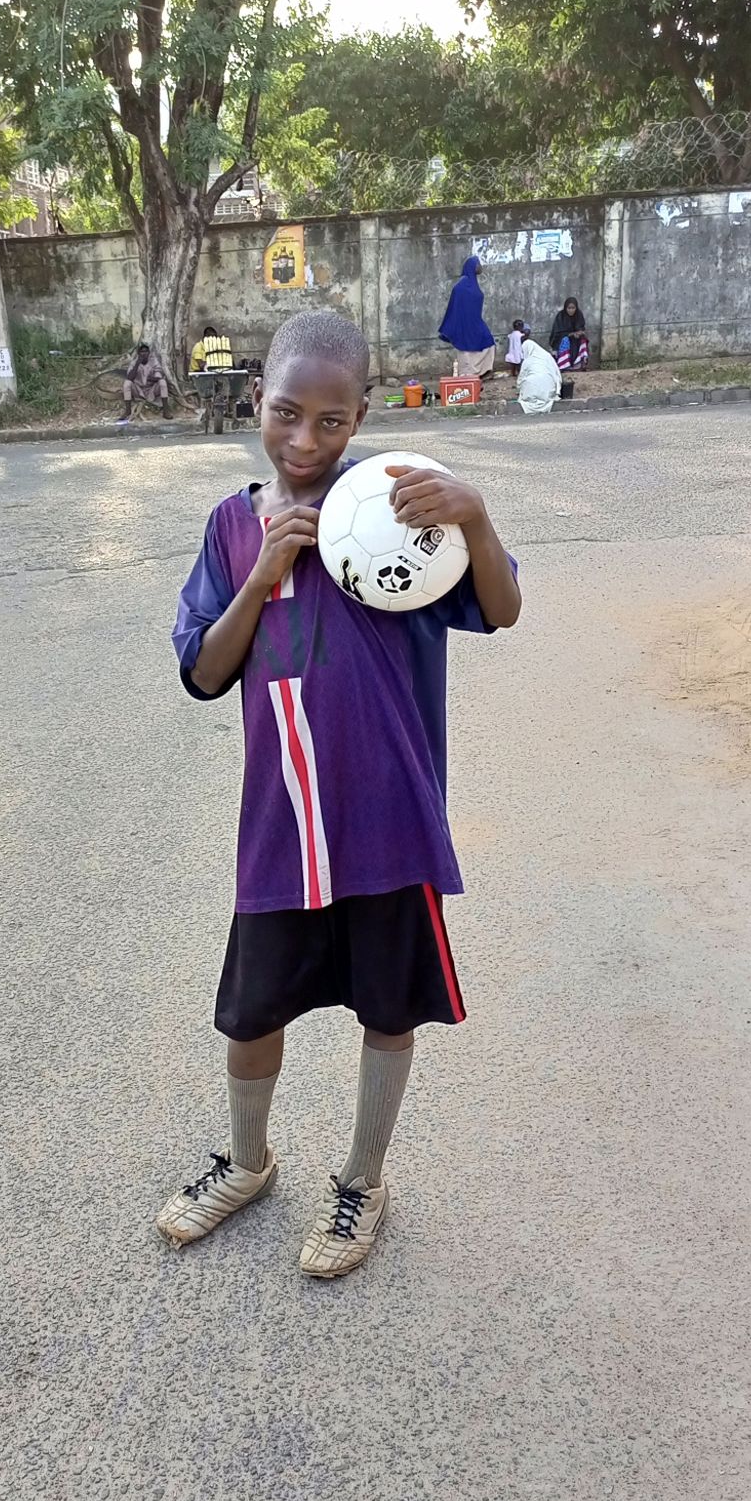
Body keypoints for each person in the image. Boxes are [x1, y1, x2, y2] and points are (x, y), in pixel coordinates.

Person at [158, 309, 521, 1278]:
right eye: (286, 413)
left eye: (331, 420)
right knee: (250, 1014)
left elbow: (501, 607)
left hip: (388, 820)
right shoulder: (232, 527)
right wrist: (262, 573)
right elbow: (203, 672)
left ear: (361, 416)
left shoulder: (400, 508)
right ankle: (248, 1162)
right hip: (281, 826)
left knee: (387, 1009)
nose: (305, 439)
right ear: (257, 401)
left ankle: (363, 1180)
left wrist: (476, 516)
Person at [439, 255, 496, 379]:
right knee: (466, 347)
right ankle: (468, 374)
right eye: (478, 264)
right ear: (472, 267)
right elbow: (456, 302)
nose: (480, 267)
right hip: (465, 322)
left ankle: (482, 372)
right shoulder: (462, 285)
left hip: (475, 320)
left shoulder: (473, 283)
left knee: (487, 340)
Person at [118, 342, 168, 422]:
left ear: (149, 353)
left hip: (151, 390)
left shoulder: (154, 362)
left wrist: (152, 378)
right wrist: (137, 364)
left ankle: (166, 411)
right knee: (127, 383)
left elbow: (159, 376)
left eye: (146, 351)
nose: (144, 354)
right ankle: (128, 411)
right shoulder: (134, 362)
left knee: (163, 382)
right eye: (142, 352)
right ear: (139, 353)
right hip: (138, 390)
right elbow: (130, 377)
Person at [516, 335, 561, 415]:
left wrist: (518, 389)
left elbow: (520, 379)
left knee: (527, 382)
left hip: (530, 393)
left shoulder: (527, 361)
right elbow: (556, 373)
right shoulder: (547, 356)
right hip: (548, 392)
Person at [549, 297, 590, 371]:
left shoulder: (579, 315)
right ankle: (564, 364)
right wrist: (571, 334)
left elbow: (581, 327)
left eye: (573, 308)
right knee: (565, 340)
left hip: (575, 339)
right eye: (569, 308)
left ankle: (580, 364)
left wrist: (579, 333)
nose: (571, 310)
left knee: (583, 339)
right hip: (560, 339)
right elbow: (557, 333)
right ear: (565, 308)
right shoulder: (561, 316)